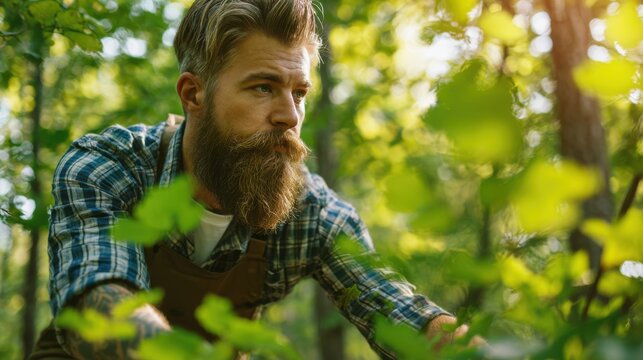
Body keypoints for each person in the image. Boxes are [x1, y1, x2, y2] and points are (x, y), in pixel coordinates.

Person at [31, 0, 476, 358]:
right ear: (193, 94)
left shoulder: (311, 211)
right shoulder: (108, 168)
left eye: (299, 92)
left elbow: (403, 314)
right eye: (263, 87)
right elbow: (100, 310)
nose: (290, 116)